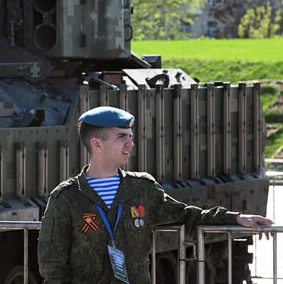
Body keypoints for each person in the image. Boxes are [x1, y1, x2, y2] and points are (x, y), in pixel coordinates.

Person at [37, 106, 273, 284]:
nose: (130, 143)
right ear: (97, 144)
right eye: (122, 137)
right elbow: (52, 264)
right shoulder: (67, 197)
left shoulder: (142, 189)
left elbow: (187, 217)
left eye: (130, 136)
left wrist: (236, 219)